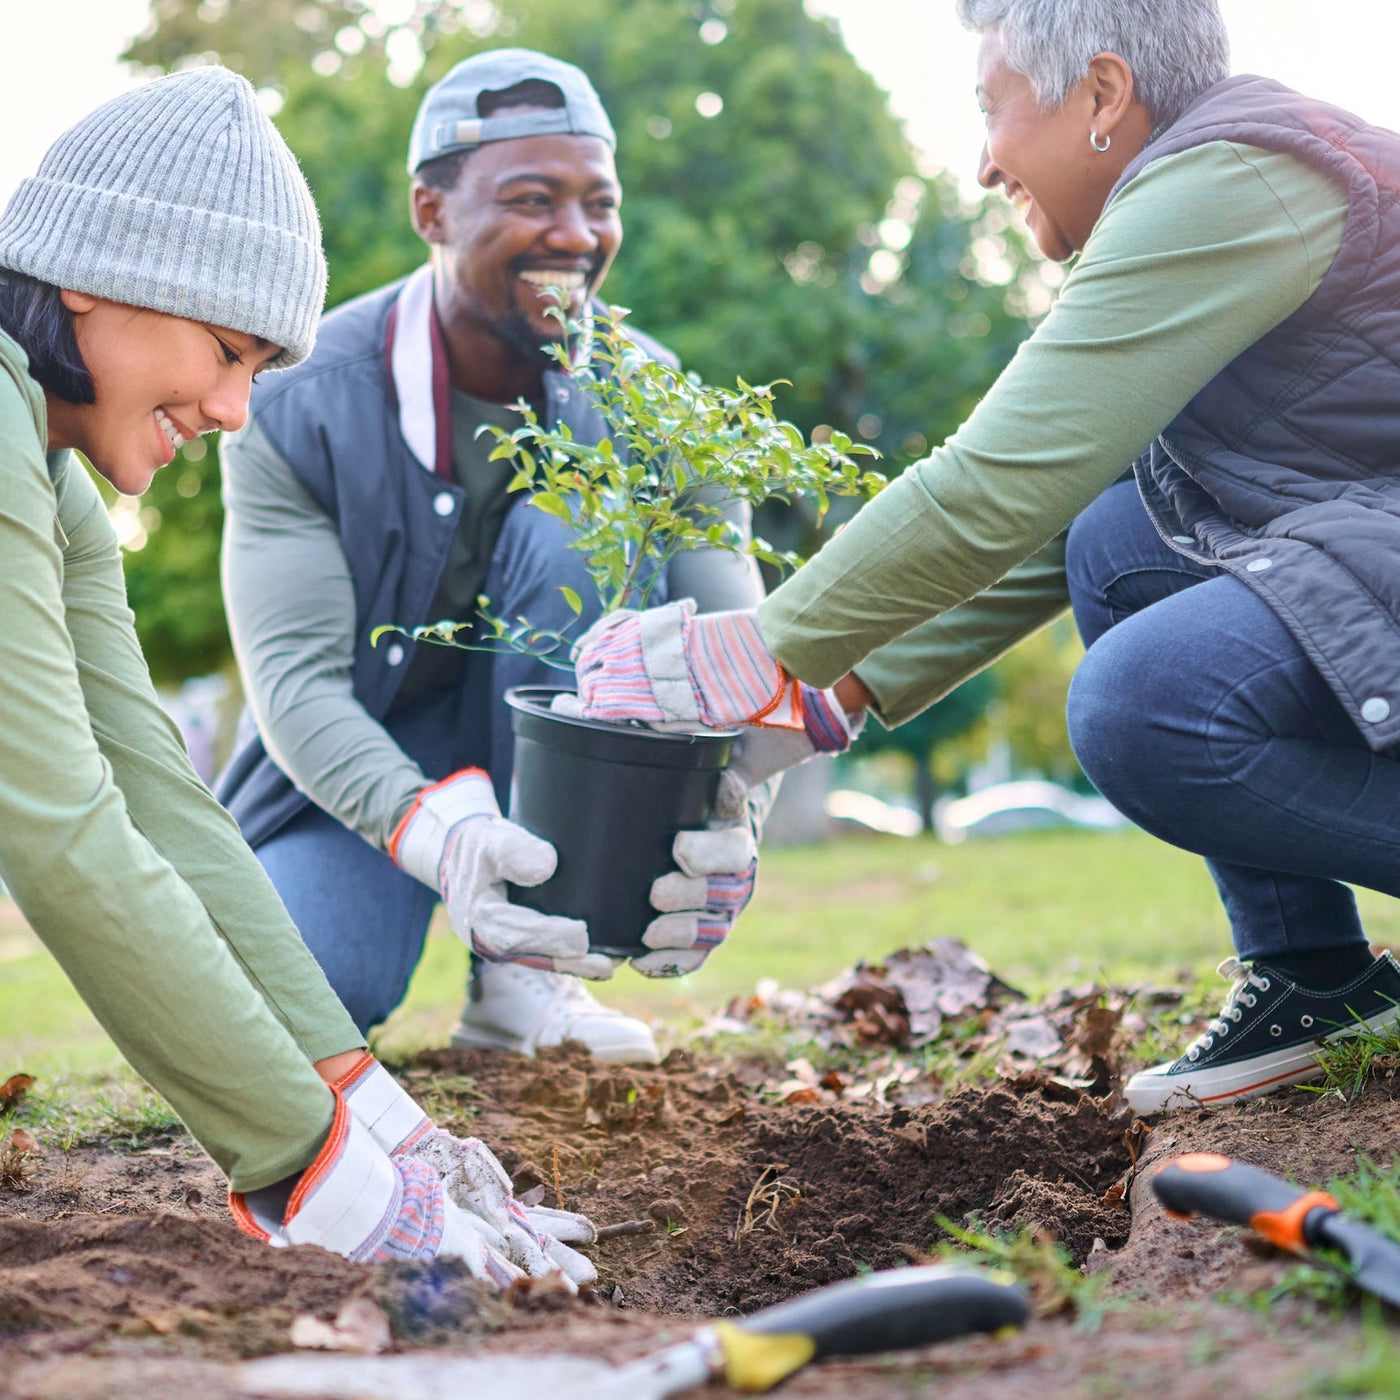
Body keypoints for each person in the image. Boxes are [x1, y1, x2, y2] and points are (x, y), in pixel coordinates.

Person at [574, 0, 1400, 1115]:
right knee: (1119, 539)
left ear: (1101, 97)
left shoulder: (1229, 182)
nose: (979, 164)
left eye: (990, 108)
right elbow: (1068, 508)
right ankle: (1314, 977)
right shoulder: (1198, 206)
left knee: (1146, 706)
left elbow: (1000, 476)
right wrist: (816, 703)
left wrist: (759, 647)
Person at [0, 66, 593, 1283]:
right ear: (88, 278)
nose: (229, 409)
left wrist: (380, 1114)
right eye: (224, 350)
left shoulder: (52, 471)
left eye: (259, 373)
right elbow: (61, 831)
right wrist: (317, 1168)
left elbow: (156, 794)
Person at [215, 49, 801, 1060]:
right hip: (368, 764)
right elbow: (296, 685)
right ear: (430, 212)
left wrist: (736, 800)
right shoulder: (298, 401)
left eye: (597, 204)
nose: (573, 236)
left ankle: (523, 984)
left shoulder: (658, 404)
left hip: (564, 750)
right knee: (297, 996)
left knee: (571, 519)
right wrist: (435, 831)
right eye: (532, 200)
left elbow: (735, 641)